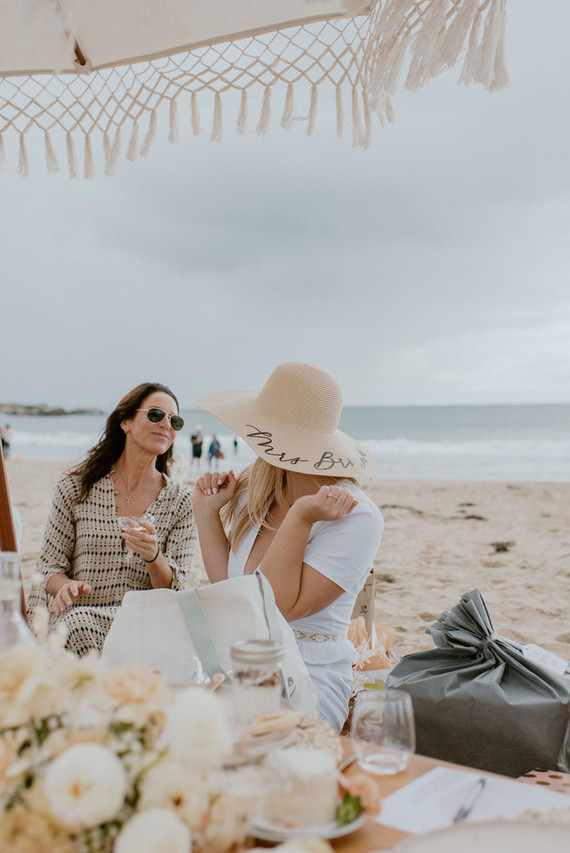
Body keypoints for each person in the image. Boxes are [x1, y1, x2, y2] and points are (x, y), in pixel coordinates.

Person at [192, 362, 383, 732]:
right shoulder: (256, 489)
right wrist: (206, 514)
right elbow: (232, 592)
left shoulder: (357, 515)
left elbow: (279, 607)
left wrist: (299, 519)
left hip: (308, 676)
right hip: (237, 661)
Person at [27, 382, 196, 655]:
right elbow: (48, 567)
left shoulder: (181, 501)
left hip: (143, 623)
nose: (166, 424)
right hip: (79, 617)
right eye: (155, 415)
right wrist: (66, 586)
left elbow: (174, 590)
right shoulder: (76, 488)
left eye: (175, 420)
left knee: (78, 627)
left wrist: (153, 556)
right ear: (125, 422)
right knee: (77, 625)